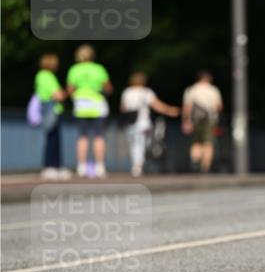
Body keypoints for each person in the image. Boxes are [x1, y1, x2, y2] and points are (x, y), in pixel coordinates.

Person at [120, 72, 180, 177]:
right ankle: (138, 165)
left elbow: (123, 108)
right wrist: (170, 110)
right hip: (143, 122)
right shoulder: (146, 92)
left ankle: (137, 165)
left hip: (130, 123)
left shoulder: (127, 92)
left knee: (133, 144)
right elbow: (157, 105)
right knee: (142, 143)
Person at [65, 44, 113, 178]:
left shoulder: (74, 70)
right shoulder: (98, 69)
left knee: (82, 137)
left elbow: (69, 90)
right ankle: (100, 167)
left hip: (81, 105)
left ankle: (81, 167)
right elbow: (108, 88)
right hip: (97, 104)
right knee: (99, 136)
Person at [33, 53, 69, 179]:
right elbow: (57, 95)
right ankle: (51, 166)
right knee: (52, 139)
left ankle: (54, 166)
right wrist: (67, 93)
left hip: (49, 108)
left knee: (52, 138)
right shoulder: (47, 76)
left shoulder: (41, 76)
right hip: (51, 109)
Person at [181, 70, 224, 173]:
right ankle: (205, 166)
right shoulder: (213, 90)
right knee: (208, 143)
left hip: (195, 120)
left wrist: (185, 120)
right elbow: (219, 106)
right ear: (209, 78)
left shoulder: (191, 90)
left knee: (196, 141)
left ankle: (195, 160)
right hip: (210, 120)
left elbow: (187, 107)